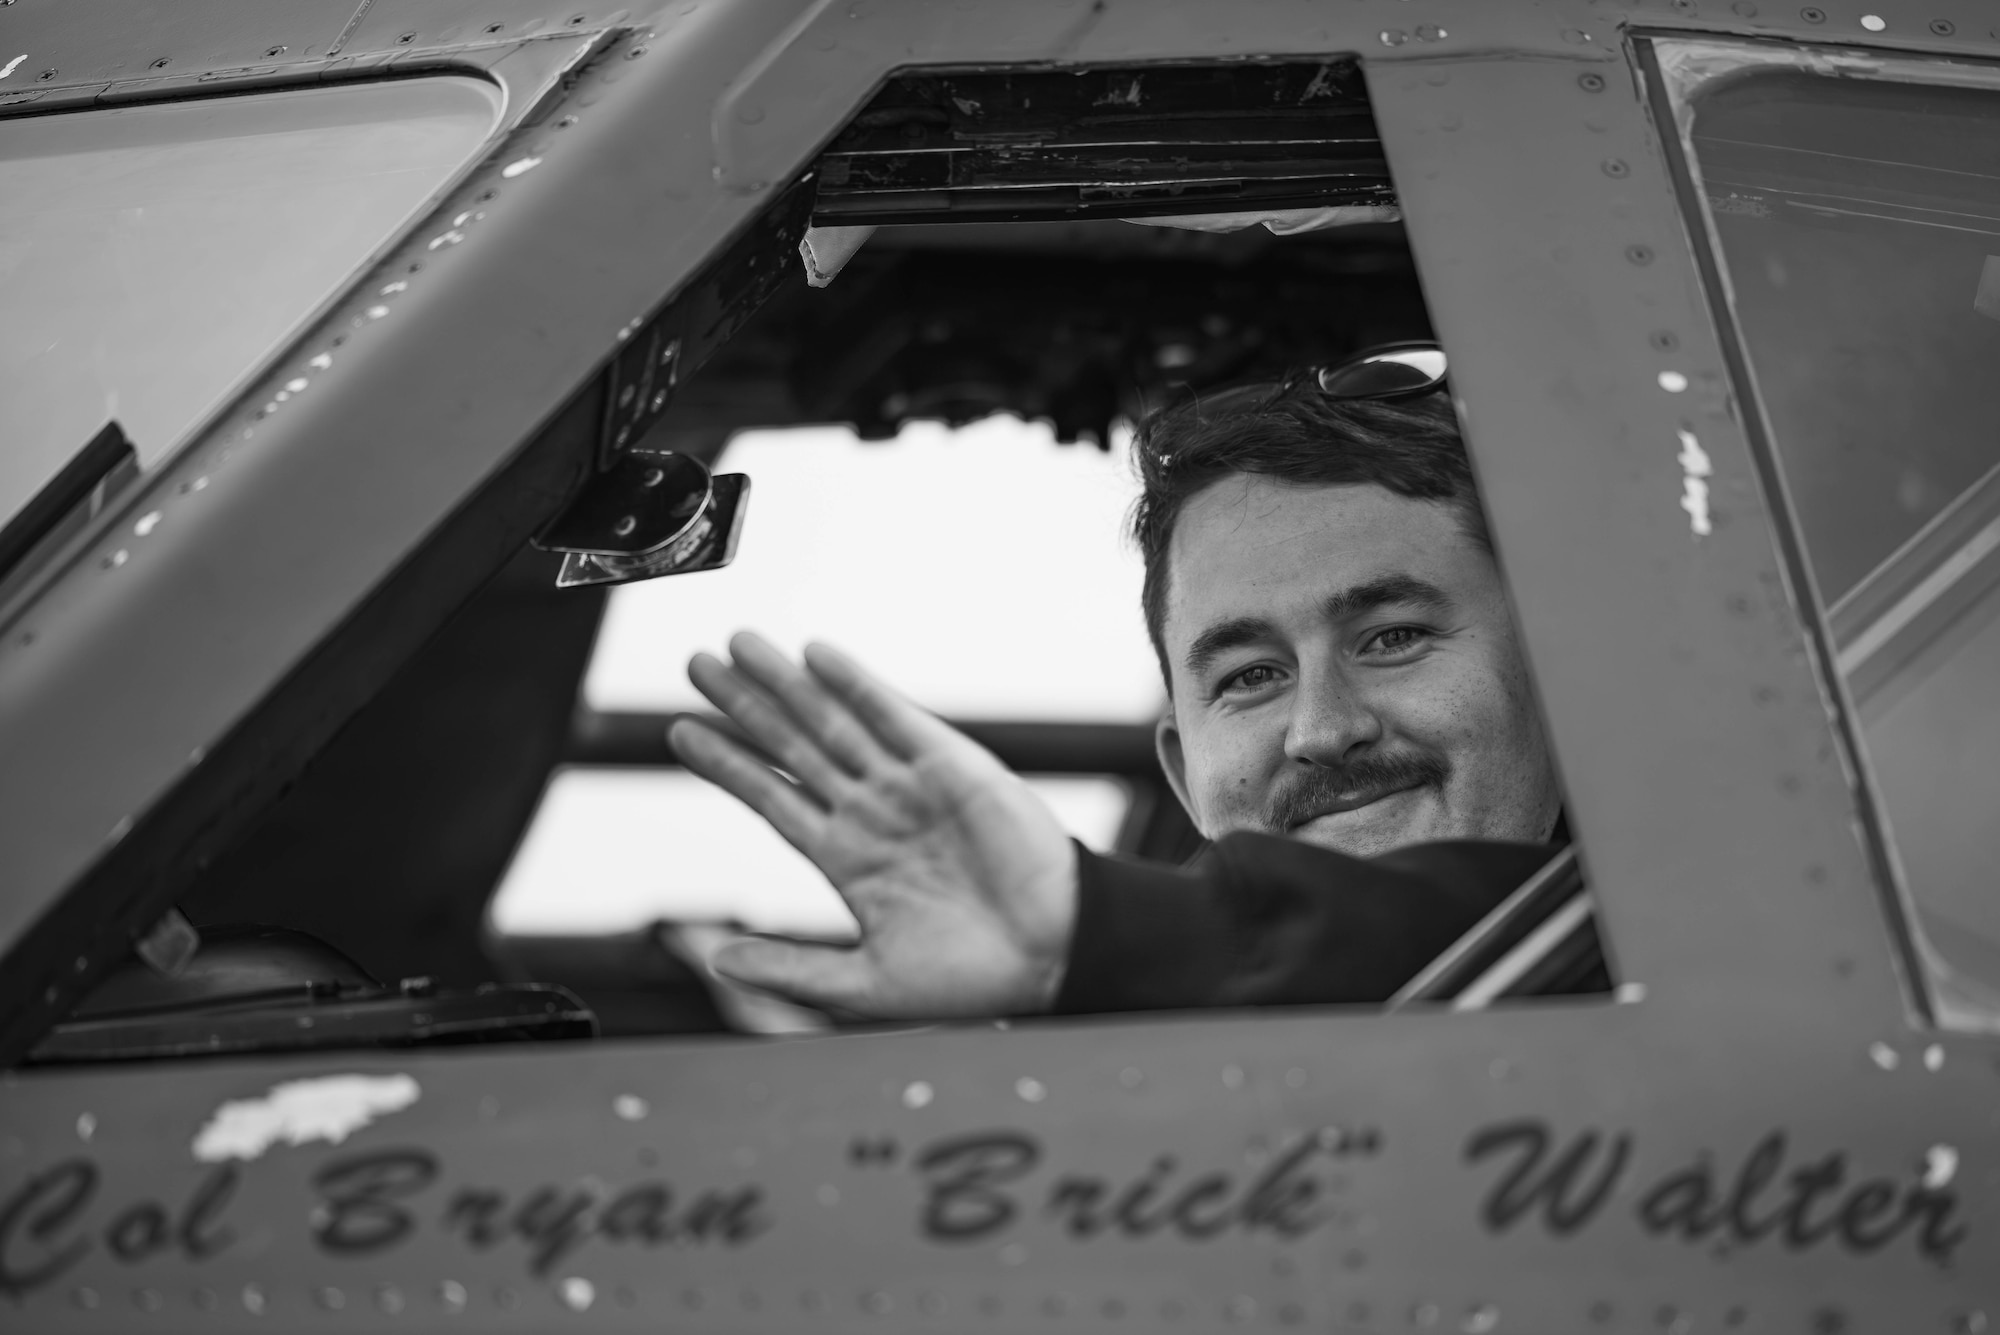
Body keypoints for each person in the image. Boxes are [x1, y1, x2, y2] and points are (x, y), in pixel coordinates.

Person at [666, 346, 1573, 1020]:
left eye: (1393, 637)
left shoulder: (1704, 920)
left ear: (1572, 683)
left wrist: (1098, 926)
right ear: (1182, 775)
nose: (1322, 730)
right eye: (1252, 674)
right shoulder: (1086, 1092)